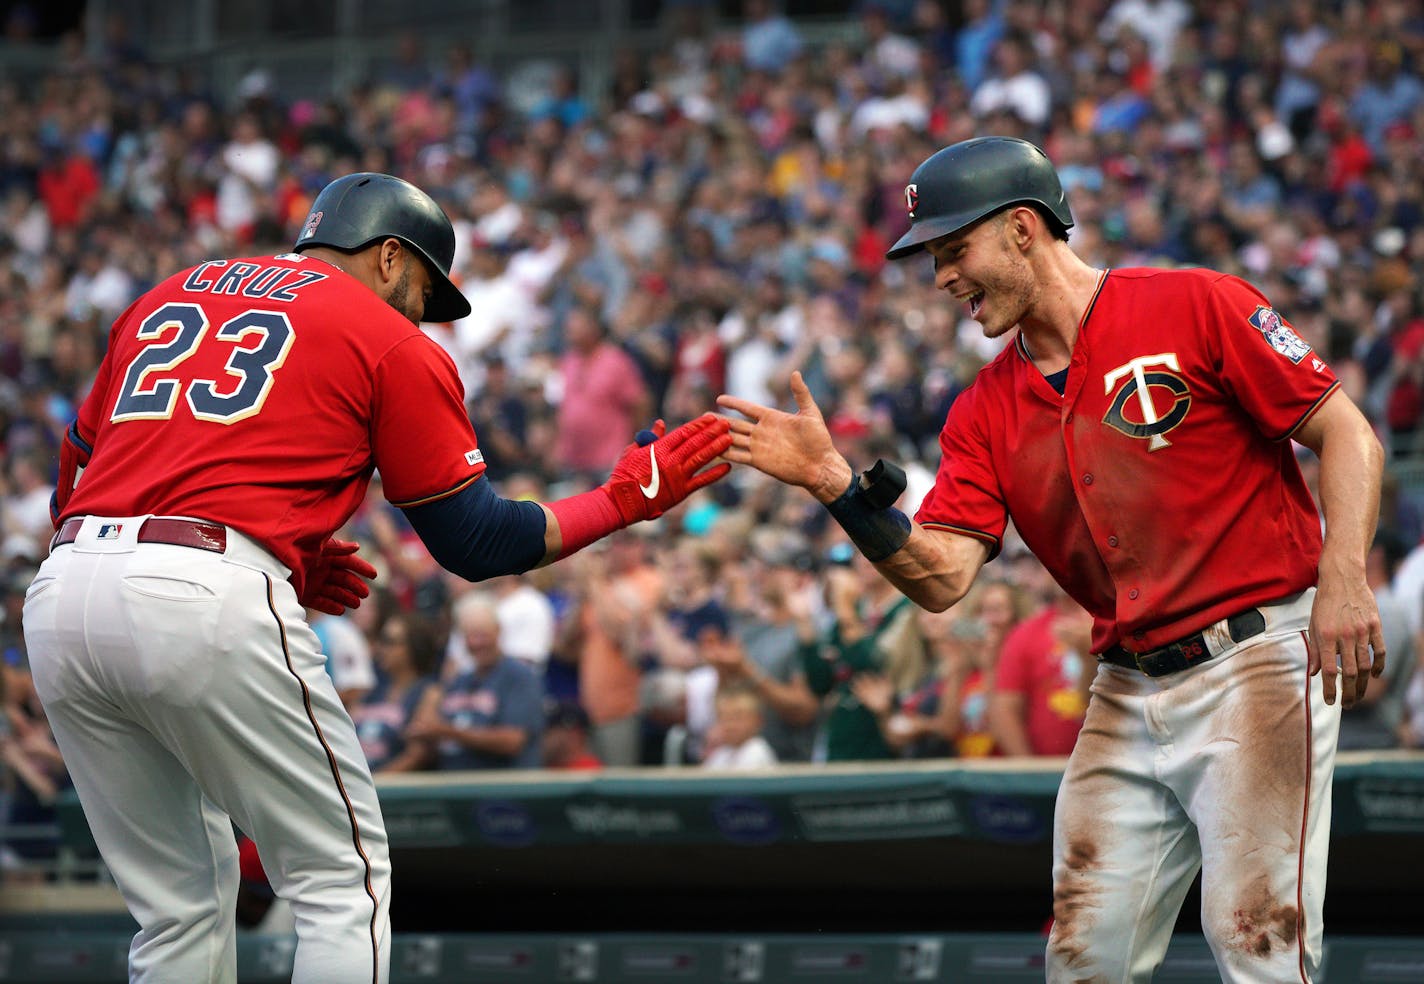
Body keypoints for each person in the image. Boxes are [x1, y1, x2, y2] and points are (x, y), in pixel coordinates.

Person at [23, 171, 731, 984]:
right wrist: (620, 500)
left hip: (65, 590)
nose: (424, 313)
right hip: (203, 593)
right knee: (338, 880)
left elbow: (69, 487)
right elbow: (475, 540)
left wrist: (272, 542)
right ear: (390, 256)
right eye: (426, 289)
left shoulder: (167, 294)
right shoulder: (384, 334)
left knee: (180, 904)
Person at [718, 136, 1385, 983]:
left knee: (1257, 942)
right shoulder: (984, 408)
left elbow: (1346, 432)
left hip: (1253, 658)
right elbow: (942, 577)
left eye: (954, 249)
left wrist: (1346, 577)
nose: (942, 278)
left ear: (1024, 228)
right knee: (1082, 957)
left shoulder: (1195, 303)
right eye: (932, 259)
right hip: (1125, 684)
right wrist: (837, 486)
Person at [410, 592, 544, 771]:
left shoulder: (520, 676)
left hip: (501, 790)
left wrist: (448, 732)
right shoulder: (459, 680)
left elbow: (513, 741)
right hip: (450, 788)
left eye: (482, 635)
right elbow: (421, 731)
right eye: (469, 636)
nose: (476, 643)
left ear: (498, 630)